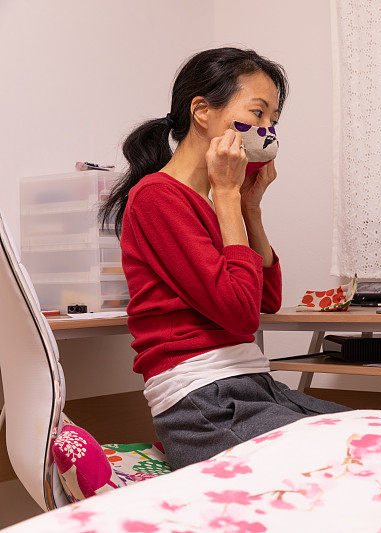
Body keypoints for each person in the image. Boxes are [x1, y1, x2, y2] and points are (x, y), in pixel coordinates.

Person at [99, 47, 349, 469]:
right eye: (258, 113)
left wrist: (249, 209)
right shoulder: (157, 197)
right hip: (204, 403)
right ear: (201, 111)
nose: (267, 129)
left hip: (252, 386)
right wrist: (229, 195)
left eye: (273, 120)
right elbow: (240, 314)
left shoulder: (215, 200)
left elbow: (263, 298)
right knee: (347, 460)